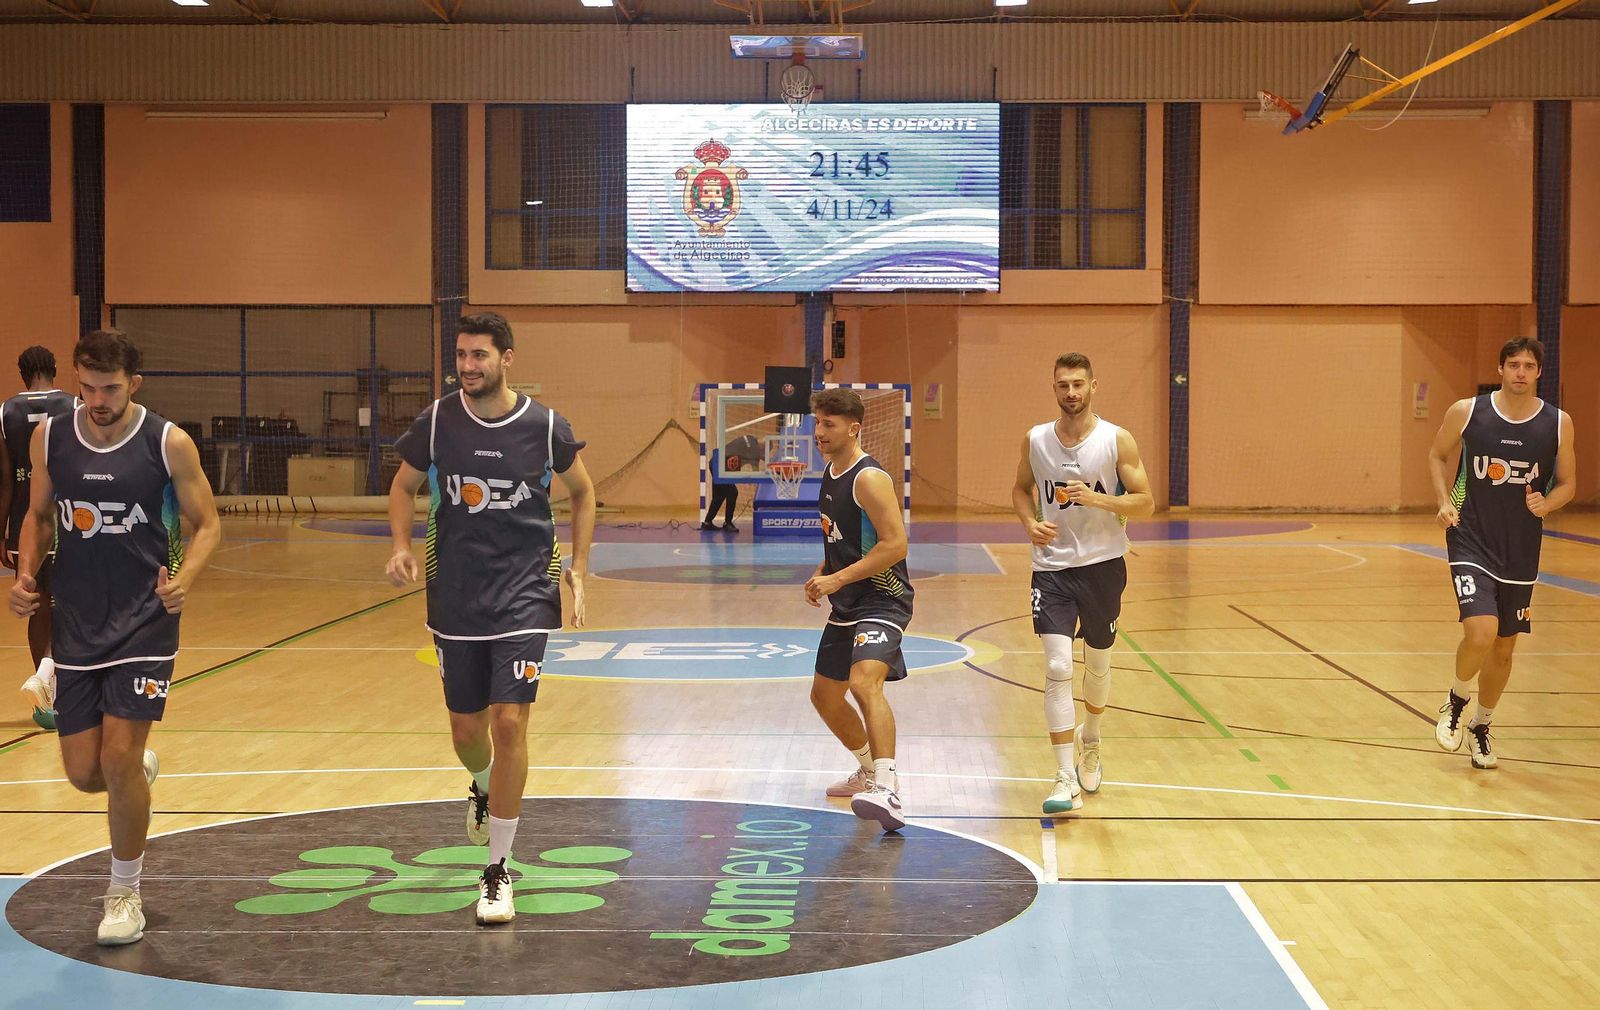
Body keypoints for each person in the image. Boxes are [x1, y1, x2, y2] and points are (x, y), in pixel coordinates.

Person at [8, 329, 222, 945]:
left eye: (108, 387)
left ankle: (124, 890)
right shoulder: (51, 437)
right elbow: (40, 516)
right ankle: (133, 773)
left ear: (134, 382)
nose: (96, 399)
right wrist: (25, 576)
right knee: (84, 771)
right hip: (76, 621)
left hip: (145, 619)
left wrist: (186, 578)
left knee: (118, 755)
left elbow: (206, 525)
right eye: (86, 387)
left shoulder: (168, 442)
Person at [385, 312, 595, 925]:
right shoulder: (437, 422)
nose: (467, 365)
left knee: (510, 723)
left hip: (527, 591)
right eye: (461, 354)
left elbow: (582, 493)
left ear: (508, 358)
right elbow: (402, 489)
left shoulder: (546, 425)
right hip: (455, 594)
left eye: (480, 355)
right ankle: (481, 785)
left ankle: (498, 871)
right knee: (466, 733)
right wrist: (400, 545)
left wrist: (577, 569)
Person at [1011, 352, 1153, 815]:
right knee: (1056, 667)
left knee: (1097, 662)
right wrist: (1029, 523)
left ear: (1094, 386)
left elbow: (1146, 503)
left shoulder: (1117, 440)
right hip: (1051, 567)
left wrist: (1100, 499)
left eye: (1078, 384)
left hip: (1103, 565)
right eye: (1062, 385)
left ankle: (1091, 736)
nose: (1070, 392)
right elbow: (1020, 489)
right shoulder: (1035, 439)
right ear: (1053, 388)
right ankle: (1062, 775)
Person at [1428, 337, 1575, 770]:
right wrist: (1442, 501)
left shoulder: (1559, 423)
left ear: (1539, 373)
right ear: (1501, 369)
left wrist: (1548, 503)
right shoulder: (1468, 411)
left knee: (1505, 649)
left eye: (1529, 365)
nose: (1521, 372)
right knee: (1480, 631)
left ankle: (1481, 726)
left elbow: (1568, 483)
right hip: (1469, 535)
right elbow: (1437, 456)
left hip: (1521, 548)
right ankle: (1456, 700)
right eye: (1513, 364)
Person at [803, 388, 914, 833]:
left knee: (864, 683)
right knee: (824, 696)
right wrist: (823, 572)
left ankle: (887, 788)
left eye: (828, 425)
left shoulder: (869, 478)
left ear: (854, 428)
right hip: (847, 599)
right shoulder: (831, 472)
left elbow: (895, 544)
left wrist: (838, 577)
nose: (819, 433)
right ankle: (867, 769)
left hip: (883, 597)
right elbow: (844, 540)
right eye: (817, 424)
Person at [1, 346, 78, 730]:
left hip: (22, 522)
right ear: (54, 368)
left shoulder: (6, 411)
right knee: (70, 605)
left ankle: (44, 695)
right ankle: (52, 684)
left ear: (22, 372)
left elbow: (3, 480)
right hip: (63, 519)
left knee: (38, 605)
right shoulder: (75, 405)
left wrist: (3, 532)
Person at [701, 433, 761, 532]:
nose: (763, 457)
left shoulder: (750, 439)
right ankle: (727, 523)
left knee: (719, 496)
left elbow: (755, 471)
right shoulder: (754, 448)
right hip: (719, 465)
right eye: (764, 454)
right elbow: (755, 471)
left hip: (715, 463)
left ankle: (707, 522)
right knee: (732, 493)